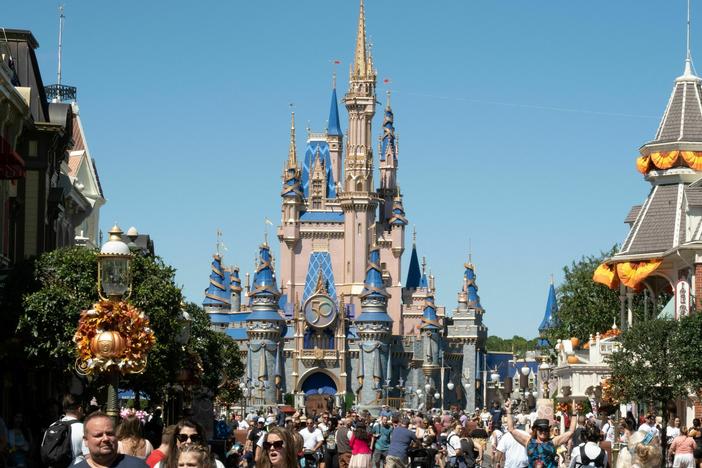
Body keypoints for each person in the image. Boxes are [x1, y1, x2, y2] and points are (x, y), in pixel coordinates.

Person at [504, 400, 576, 468]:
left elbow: (571, 431)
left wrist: (574, 414)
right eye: (540, 429)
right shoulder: (528, 441)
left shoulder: (553, 442)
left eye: (546, 429)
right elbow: (511, 430)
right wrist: (508, 411)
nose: (543, 431)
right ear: (535, 430)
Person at [74, 411, 147, 467]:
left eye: (110, 434)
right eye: (98, 435)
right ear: (86, 440)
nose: (106, 438)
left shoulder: (138, 465)